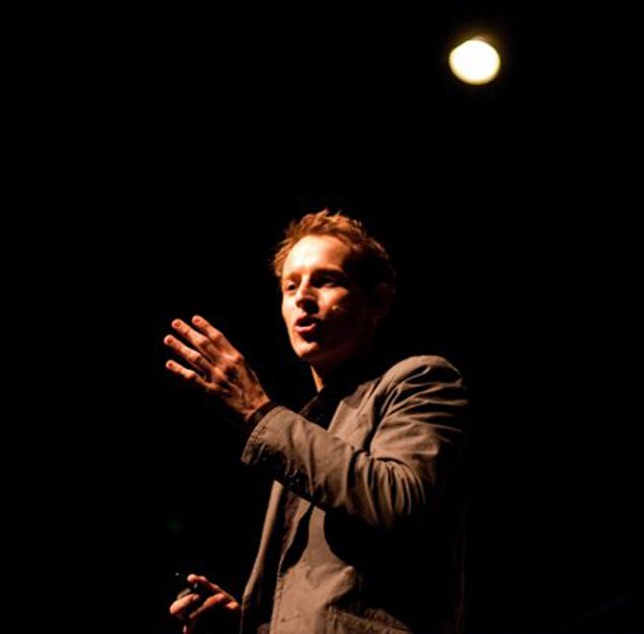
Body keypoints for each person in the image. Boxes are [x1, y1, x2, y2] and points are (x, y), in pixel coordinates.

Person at [165, 209, 471, 634]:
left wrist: (257, 412)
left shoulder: (422, 380)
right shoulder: (309, 424)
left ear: (378, 300)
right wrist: (244, 625)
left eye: (326, 280)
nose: (303, 298)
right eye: (291, 286)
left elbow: (398, 502)